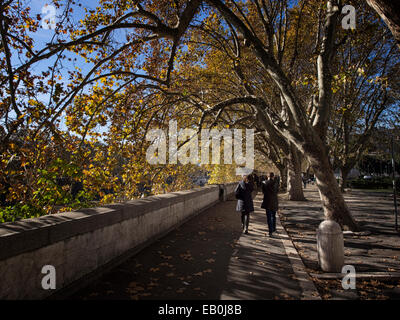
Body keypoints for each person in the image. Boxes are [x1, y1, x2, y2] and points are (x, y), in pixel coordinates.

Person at [261, 172, 280, 237]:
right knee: (273, 216)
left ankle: (270, 231)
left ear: (267, 176)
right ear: (273, 176)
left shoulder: (264, 183)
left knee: (269, 217)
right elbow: (277, 191)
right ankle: (274, 228)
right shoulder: (276, 183)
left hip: (267, 201)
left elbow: (263, 192)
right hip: (274, 201)